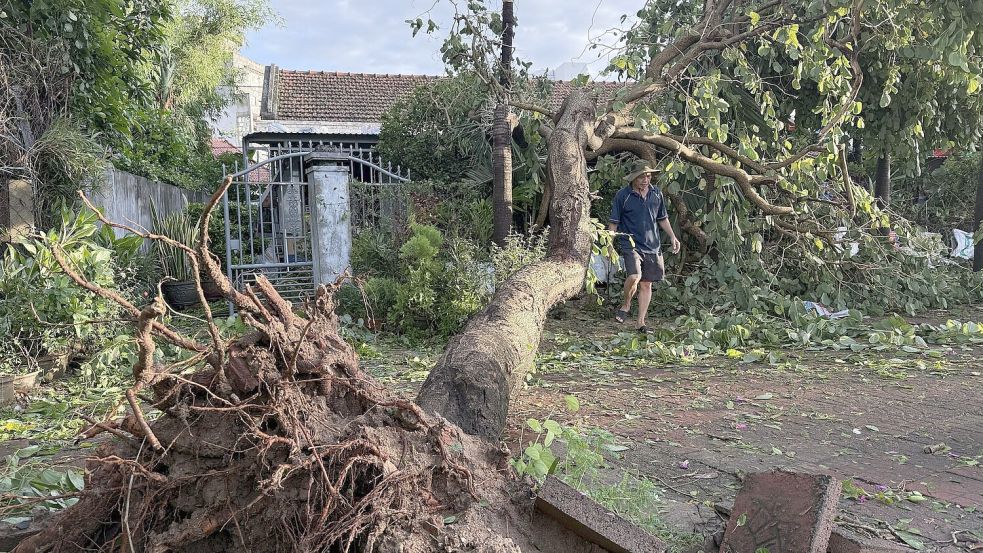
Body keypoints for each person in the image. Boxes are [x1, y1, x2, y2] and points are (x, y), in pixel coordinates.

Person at [608, 159, 680, 333]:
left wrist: (672, 236)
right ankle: (626, 305)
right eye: (641, 177)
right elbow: (613, 223)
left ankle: (641, 322)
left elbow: (662, 218)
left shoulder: (657, 194)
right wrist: (609, 245)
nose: (645, 180)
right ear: (633, 178)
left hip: (652, 245)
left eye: (647, 176)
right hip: (630, 243)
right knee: (634, 276)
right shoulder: (622, 196)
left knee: (646, 284)